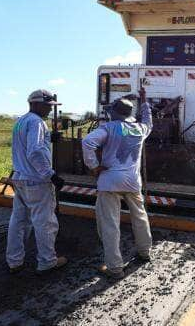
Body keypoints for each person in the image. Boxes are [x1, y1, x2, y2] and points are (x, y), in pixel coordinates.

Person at [82, 88, 153, 279]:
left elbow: (88, 142)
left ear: (115, 112)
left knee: (110, 224)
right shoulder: (140, 129)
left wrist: (94, 166)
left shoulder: (108, 128)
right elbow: (148, 121)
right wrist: (144, 100)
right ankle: (145, 252)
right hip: (132, 181)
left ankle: (115, 268)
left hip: (110, 181)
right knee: (140, 216)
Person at [6, 89, 67, 274]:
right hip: (36, 181)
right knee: (45, 222)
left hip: (20, 178)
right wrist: (51, 175)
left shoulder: (21, 121)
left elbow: (28, 145)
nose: (49, 110)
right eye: (48, 106)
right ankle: (47, 261)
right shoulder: (37, 122)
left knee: (19, 221)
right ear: (36, 104)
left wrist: (49, 138)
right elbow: (35, 151)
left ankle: (14, 261)